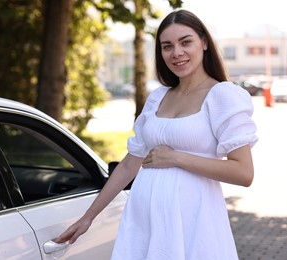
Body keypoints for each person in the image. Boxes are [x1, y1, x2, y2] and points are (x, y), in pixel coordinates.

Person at [56, 9, 258, 259]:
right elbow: (130, 164)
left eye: (186, 42)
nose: (177, 53)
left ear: (204, 43)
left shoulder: (222, 96)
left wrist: (176, 158)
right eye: (167, 46)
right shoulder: (158, 97)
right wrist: (88, 218)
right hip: (144, 221)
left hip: (192, 221)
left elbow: (243, 173)